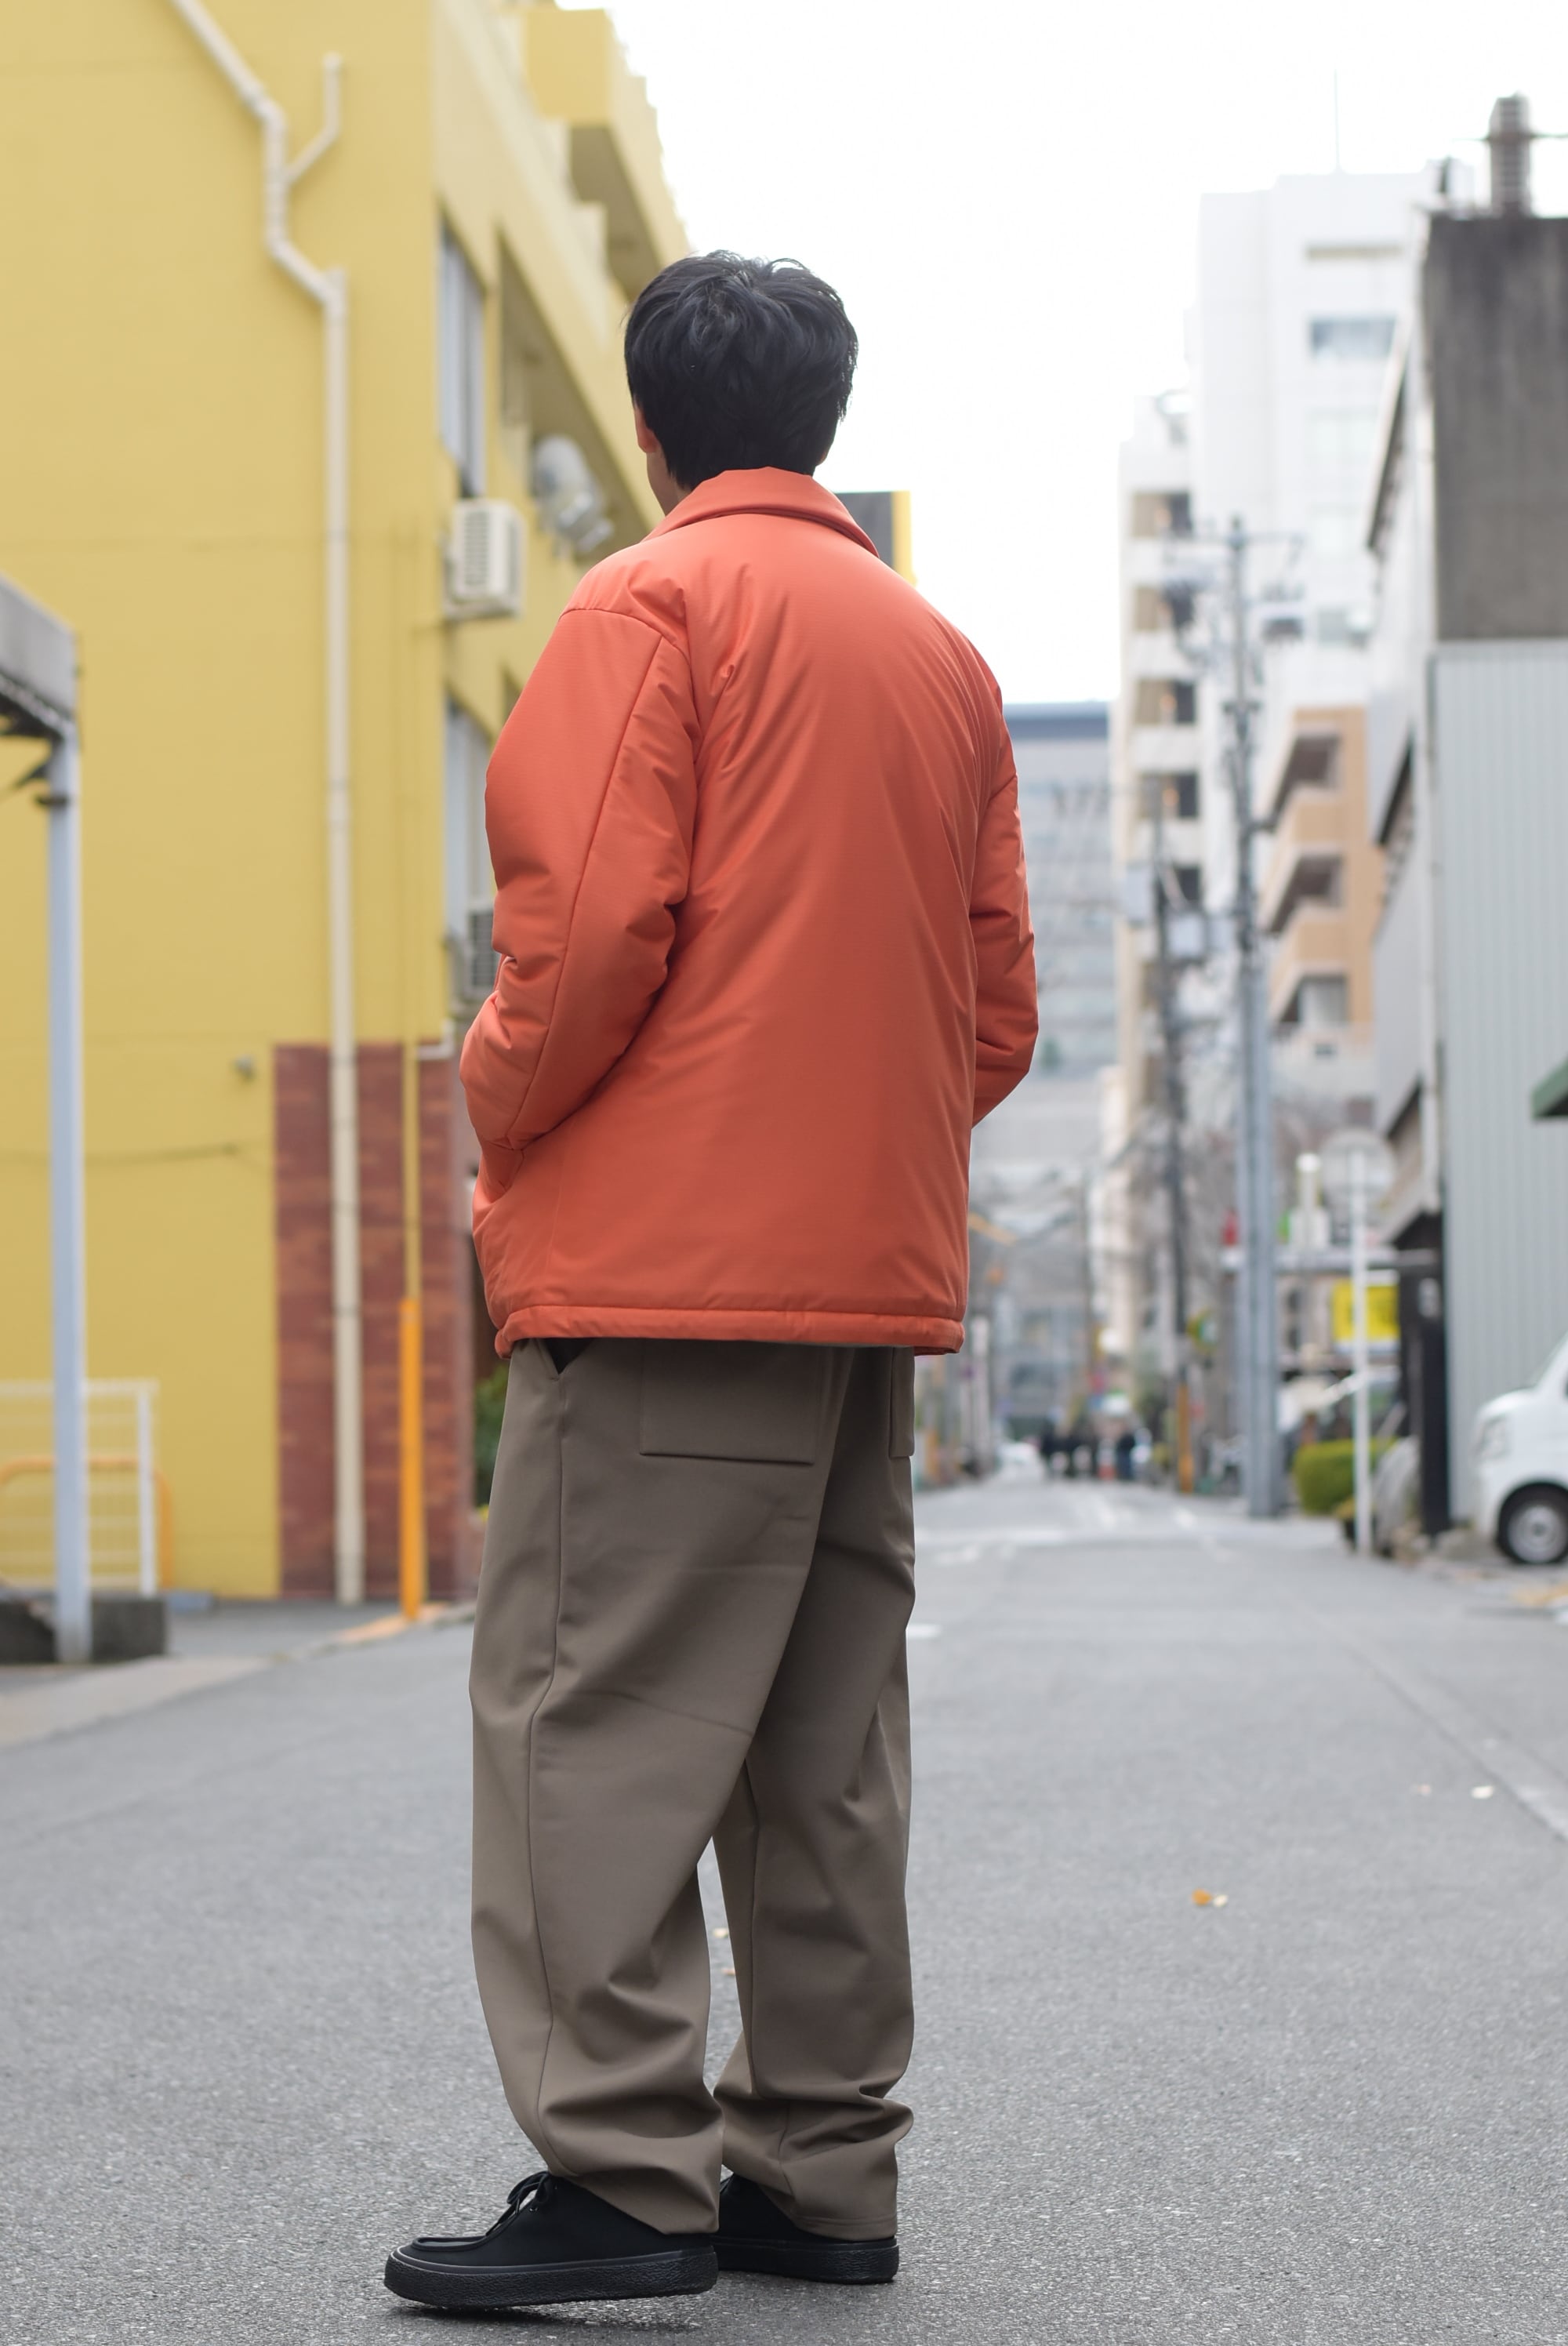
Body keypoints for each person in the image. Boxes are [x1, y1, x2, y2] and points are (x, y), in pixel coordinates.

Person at [385, 252, 1036, 2314]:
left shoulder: (647, 606)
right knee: (821, 1751)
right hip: (862, 1301)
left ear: (651, 431)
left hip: (662, 1285)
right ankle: (821, 2174)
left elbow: (583, 938)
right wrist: (846, 1153)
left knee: (590, 1718)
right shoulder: (939, 660)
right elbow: (994, 1014)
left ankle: (621, 2175)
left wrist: (496, 1103)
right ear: (823, 421)